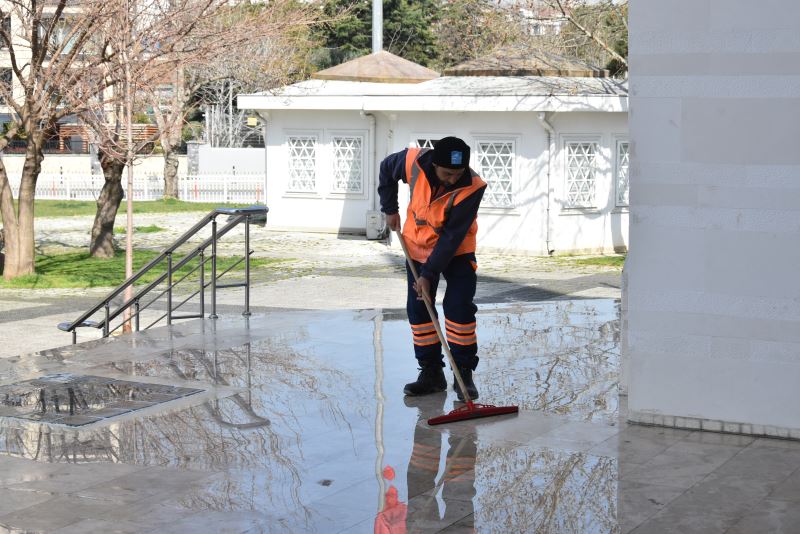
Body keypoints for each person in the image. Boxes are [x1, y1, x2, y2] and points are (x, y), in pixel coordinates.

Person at [378, 136, 487, 401]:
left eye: (458, 174)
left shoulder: (473, 187)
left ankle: (463, 373)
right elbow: (385, 169)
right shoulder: (412, 161)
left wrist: (429, 274)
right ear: (434, 165)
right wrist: (389, 208)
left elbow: (452, 237)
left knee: (459, 308)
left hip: (456, 251)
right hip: (416, 247)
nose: (453, 179)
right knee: (419, 309)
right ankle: (431, 372)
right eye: (447, 174)